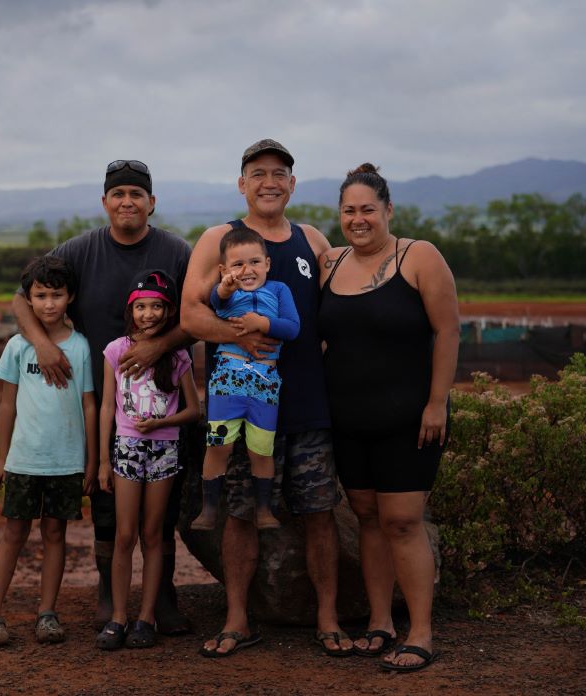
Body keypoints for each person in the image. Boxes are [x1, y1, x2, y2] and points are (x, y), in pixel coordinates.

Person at [181, 139, 353, 658]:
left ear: (293, 185)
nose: (269, 182)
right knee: (239, 513)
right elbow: (191, 315)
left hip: (305, 403)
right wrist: (239, 337)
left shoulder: (313, 240)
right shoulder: (218, 239)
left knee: (319, 511)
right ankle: (237, 620)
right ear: (242, 184)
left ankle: (328, 619)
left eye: (279, 173)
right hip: (242, 402)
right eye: (258, 173)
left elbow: (343, 306)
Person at [11, 160, 194, 635]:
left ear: (152, 203)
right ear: (105, 202)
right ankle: (110, 594)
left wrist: (159, 345)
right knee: (108, 500)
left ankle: (162, 598)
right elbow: (20, 297)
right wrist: (44, 343)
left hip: (165, 406)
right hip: (102, 399)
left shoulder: (176, 250)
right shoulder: (80, 250)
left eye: (137, 194)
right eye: (119, 194)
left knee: (162, 507)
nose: (127, 201)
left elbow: (197, 312)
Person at [318, 163, 459, 672]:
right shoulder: (330, 263)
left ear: (388, 211)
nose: (358, 219)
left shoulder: (418, 257)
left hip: (411, 418)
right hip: (348, 418)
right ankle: (380, 622)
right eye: (349, 210)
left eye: (367, 210)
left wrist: (437, 402)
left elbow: (448, 332)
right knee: (368, 519)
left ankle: (420, 632)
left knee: (402, 521)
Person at [0, 256, 97, 647]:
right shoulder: (17, 347)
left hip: (65, 461)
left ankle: (47, 614)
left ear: (71, 297)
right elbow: (6, 405)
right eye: (40, 296)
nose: (49, 303)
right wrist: (2, 458)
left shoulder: (81, 348)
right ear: (28, 300)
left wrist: (91, 462)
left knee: (55, 534)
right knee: (14, 532)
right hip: (24, 459)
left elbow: (89, 406)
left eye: (57, 295)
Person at [94, 269, 201, 650]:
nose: (149, 314)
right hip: (125, 448)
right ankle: (118, 617)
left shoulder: (176, 356)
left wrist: (162, 421)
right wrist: (104, 462)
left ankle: (146, 617)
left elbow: (194, 410)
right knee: (124, 535)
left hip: (164, 449)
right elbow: (107, 406)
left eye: (157, 307)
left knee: (153, 534)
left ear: (169, 312)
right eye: (141, 307)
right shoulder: (115, 350)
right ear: (131, 310)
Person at [190, 225, 300, 531]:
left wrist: (262, 322)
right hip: (227, 382)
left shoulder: (279, 291)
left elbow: (292, 328)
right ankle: (209, 509)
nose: (247, 270)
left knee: (260, 449)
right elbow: (216, 299)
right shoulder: (228, 293)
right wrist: (225, 287)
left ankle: (264, 510)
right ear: (225, 269)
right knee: (218, 445)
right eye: (238, 265)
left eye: (254, 262)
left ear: (267, 263)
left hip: (264, 384)